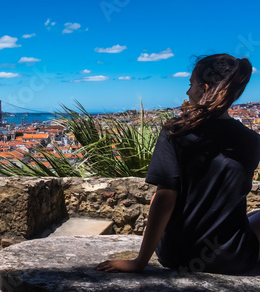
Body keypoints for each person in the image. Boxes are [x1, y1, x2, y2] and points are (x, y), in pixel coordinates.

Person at [94, 54, 260, 274]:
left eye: (191, 84)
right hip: (232, 258)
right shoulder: (252, 140)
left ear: (205, 88)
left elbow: (164, 199)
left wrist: (140, 261)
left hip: (178, 255)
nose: (187, 92)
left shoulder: (177, 131)